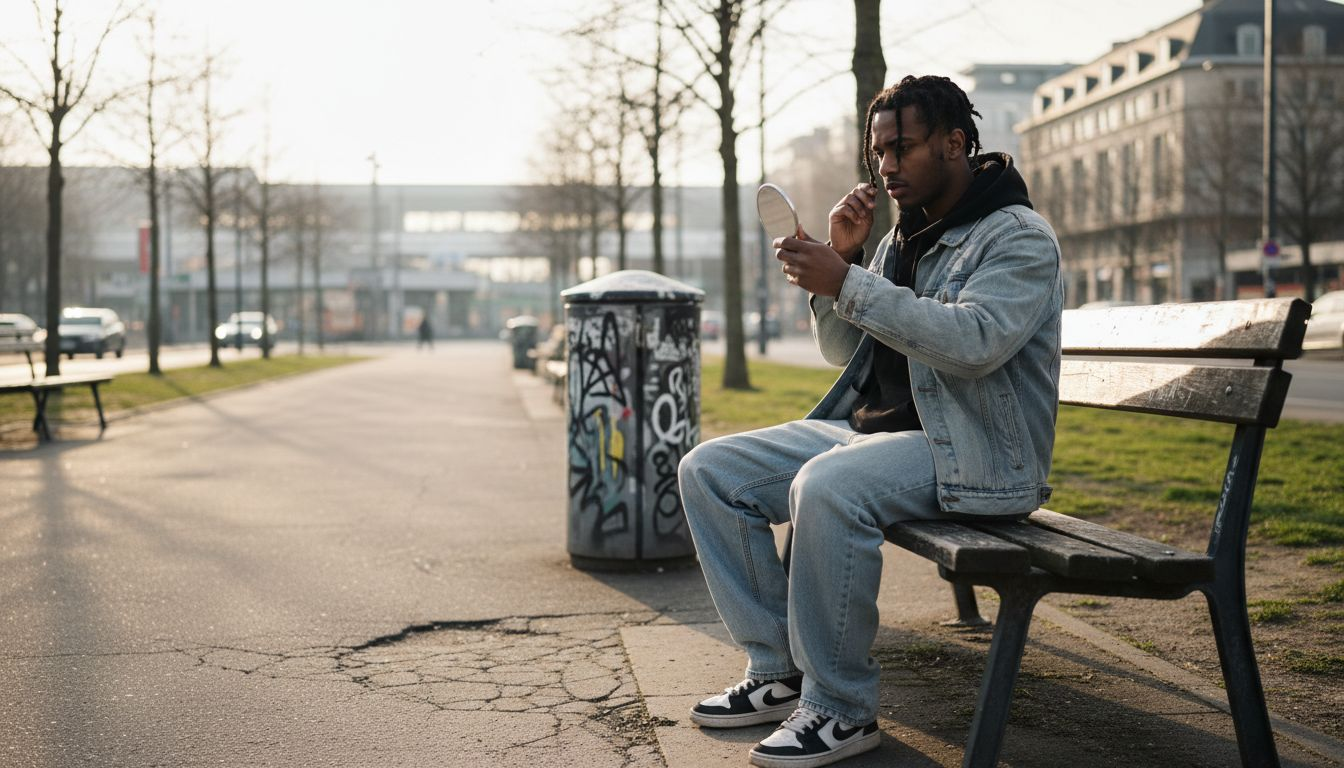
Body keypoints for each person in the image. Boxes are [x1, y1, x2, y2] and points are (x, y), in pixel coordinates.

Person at [677, 75, 1063, 768]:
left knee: (829, 485)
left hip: (976, 452)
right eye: (878, 151)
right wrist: (848, 260)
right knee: (710, 469)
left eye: (902, 148)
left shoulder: (1018, 237)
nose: (885, 167)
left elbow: (976, 344)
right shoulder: (902, 237)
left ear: (955, 142)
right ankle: (778, 668)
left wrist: (847, 282)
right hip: (878, 435)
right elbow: (843, 352)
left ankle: (840, 709)